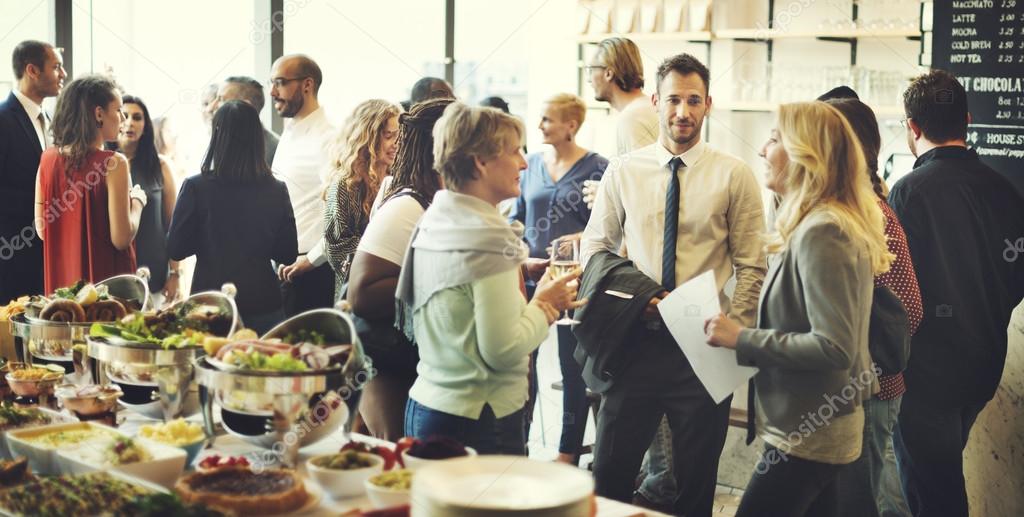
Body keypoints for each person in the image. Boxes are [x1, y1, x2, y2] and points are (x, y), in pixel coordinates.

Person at [580, 53, 766, 516]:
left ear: (708, 105)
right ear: (655, 101)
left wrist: (734, 329)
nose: (683, 112)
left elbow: (752, 264)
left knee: (695, 486)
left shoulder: (734, 174)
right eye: (674, 100)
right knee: (610, 477)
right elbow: (595, 248)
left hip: (703, 346)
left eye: (694, 101)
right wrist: (634, 298)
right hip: (633, 341)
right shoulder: (624, 169)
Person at [705, 100, 893, 517]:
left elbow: (834, 346)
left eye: (773, 139)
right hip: (817, 424)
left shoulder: (823, 230)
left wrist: (742, 338)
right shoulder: (824, 221)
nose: (761, 150)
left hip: (810, 431)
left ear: (806, 154)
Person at [396, 102, 583, 455]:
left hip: (427, 406)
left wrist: (516, 271)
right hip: (479, 417)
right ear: (481, 162)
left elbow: (458, 294)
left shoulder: (437, 218)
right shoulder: (487, 240)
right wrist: (546, 304)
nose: (525, 163)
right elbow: (503, 351)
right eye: (515, 151)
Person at [888, 70, 1024, 517]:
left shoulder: (907, 192)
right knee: (941, 480)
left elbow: (897, 293)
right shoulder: (1006, 189)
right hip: (985, 366)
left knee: (934, 495)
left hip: (927, 377)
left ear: (912, 127)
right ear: (967, 120)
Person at [825, 97, 921, 517]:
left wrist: (861, 366)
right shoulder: (845, 210)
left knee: (869, 501)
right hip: (847, 389)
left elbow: (908, 310)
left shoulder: (873, 214)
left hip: (870, 390)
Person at [509, 92, 608, 465]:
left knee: (573, 370)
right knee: (522, 364)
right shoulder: (529, 164)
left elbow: (610, 225)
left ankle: (568, 453)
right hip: (529, 279)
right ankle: (517, 446)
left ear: (571, 125)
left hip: (574, 282)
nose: (539, 126)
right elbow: (515, 219)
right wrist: (519, 257)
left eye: (548, 119)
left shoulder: (599, 168)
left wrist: (581, 239)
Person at [347, 97, 452, 441]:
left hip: (407, 355)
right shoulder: (407, 204)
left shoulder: (433, 198)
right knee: (397, 453)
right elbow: (360, 293)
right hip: (386, 356)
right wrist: (443, 279)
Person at [166, 100, 297, 334]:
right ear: (257, 139)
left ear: (217, 136)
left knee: (207, 368)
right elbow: (287, 253)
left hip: (209, 304)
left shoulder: (196, 187)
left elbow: (176, 249)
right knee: (262, 369)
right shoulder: (276, 189)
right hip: (264, 302)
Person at [34, 75, 145, 292]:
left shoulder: (46, 160)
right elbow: (121, 239)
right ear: (99, 114)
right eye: (118, 109)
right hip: (106, 289)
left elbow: (42, 230)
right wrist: (138, 203)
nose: (123, 117)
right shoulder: (114, 163)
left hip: (63, 288)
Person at [269, 54, 337, 316]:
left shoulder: (328, 139)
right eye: (272, 83)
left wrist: (311, 260)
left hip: (311, 271)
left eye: (280, 83)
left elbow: (340, 213)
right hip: (284, 267)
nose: (273, 92)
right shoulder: (290, 132)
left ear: (307, 85)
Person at [0, 40, 65, 301]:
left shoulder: (50, 120)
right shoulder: (3, 120)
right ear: (32, 70)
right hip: (11, 258)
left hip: (46, 258)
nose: (63, 74)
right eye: (56, 67)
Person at [322, 99, 400, 299]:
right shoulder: (345, 185)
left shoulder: (400, 176)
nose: (396, 144)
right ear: (367, 139)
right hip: (358, 292)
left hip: (393, 287)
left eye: (399, 135)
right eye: (388, 136)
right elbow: (337, 249)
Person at [115, 95, 181, 307]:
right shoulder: (102, 165)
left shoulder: (161, 166)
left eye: (137, 117)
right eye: (124, 116)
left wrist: (175, 273)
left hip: (154, 272)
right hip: (112, 271)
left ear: (146, 125)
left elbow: (174, 223)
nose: (130, 123)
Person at [587, 37, 658, 155]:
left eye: (591, 70)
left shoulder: (631, 117)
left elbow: (640, 172)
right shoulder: (646, 107)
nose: (588, 79)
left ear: (608, 73)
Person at [205, 76, 280, 168]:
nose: (211, 108)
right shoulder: (221, 140)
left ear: (246, 107)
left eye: (221, 100)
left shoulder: (274, 150)